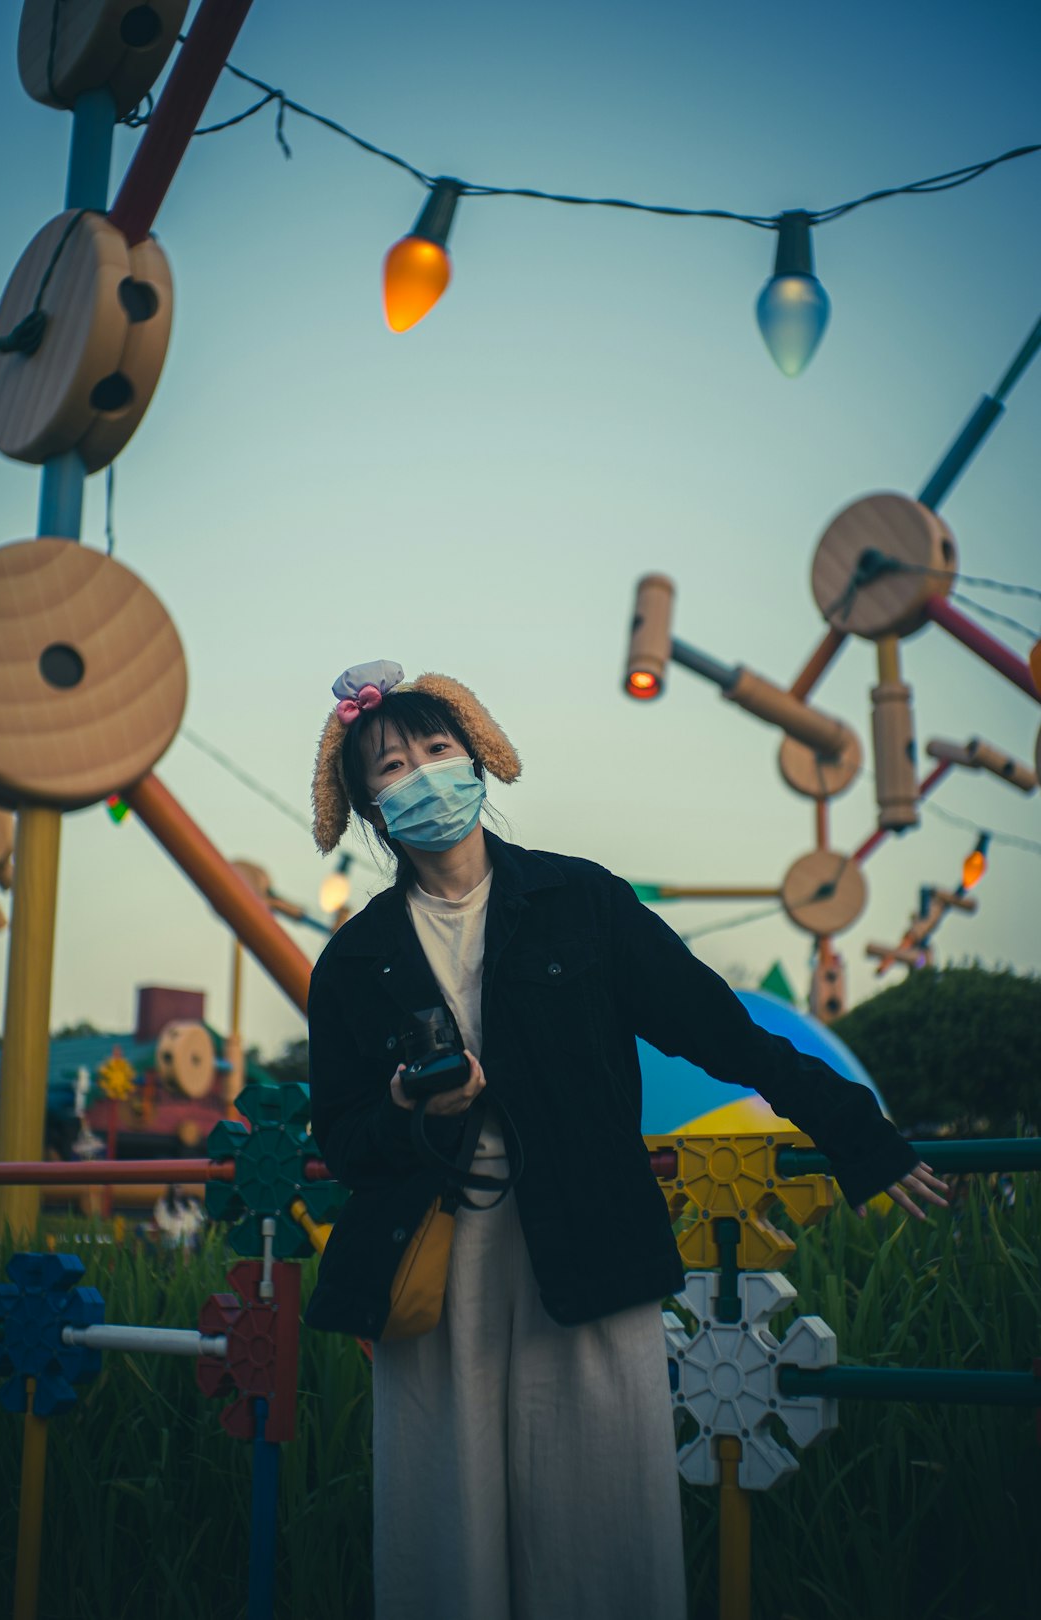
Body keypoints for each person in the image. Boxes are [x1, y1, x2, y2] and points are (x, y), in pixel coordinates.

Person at [304, 660, 948, 1620]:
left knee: (604, 1508)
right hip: (435, 1265)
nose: (423, 776)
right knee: (444, 1517)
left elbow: (720, 1029)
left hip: (591, 1233)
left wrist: (859, 1132)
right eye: (391, 769)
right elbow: (344, 1141)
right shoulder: (352, 960)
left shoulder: (583, 903)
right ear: (367, 806)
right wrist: (410, 1108)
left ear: (477, 756)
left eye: (437, 750)